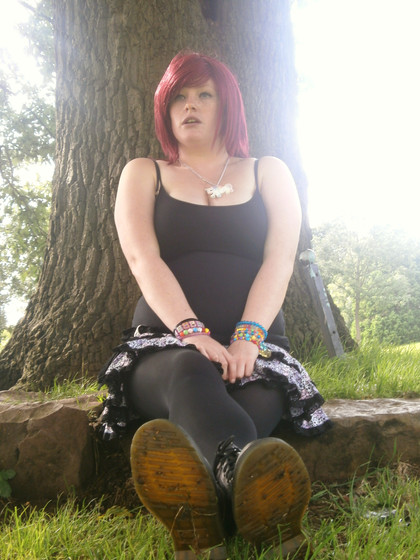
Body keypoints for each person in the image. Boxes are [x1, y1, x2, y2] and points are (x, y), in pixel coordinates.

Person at [98, 51, 331, 559]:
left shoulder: (268, 171)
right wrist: (192, 331)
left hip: (257, 346)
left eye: (204, 94)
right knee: (191, 371)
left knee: (257, 396)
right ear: (164, 109)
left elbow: (280, 260)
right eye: (178, 97)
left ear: (228, 105)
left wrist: (248, 338)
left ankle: (201, 524)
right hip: (165, 348)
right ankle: (261, 508)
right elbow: (142, 258)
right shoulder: (144, 172)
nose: (190, 105)